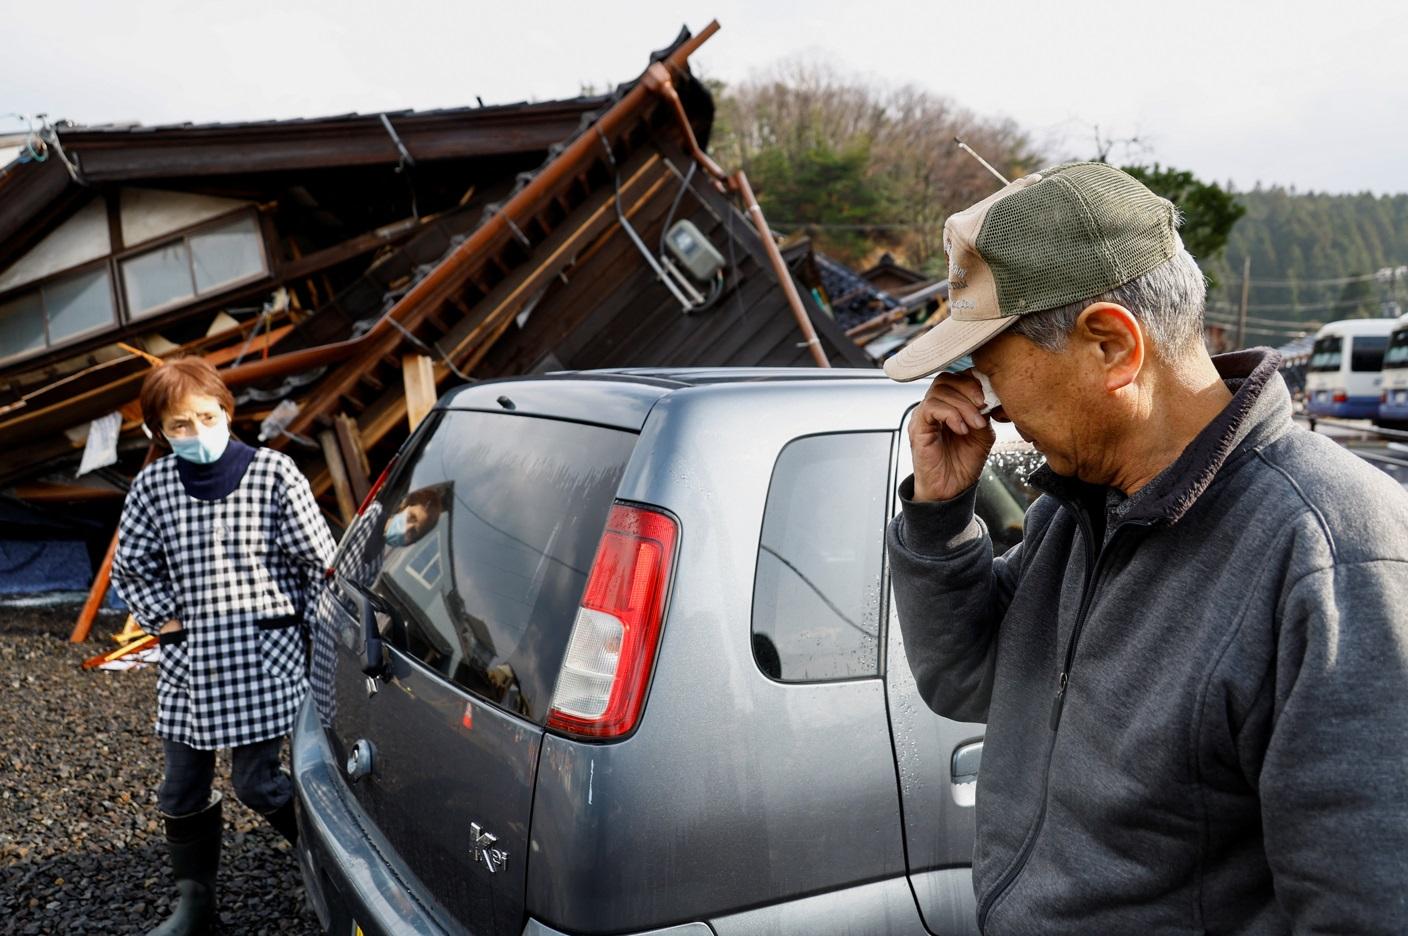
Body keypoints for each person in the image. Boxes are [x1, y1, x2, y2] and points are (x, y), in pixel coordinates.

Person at [883, 162, 1408, 934]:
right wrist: (938, 513)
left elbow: (1367, 904)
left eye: (995, 374)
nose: (994, 410)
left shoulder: (1330, 553)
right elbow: (964, 678)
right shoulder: (1080, 509)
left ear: (1111, 346)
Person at [111, 357, 335, 936]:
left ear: (226, 411)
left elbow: (320, 566)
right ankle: (196, 908)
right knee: (180, 786)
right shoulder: (152, 487)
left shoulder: (274, 473)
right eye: (179, 425)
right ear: (160, 431)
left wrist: (323, 647)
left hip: (266, 657)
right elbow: (131, 568)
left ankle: (327, 865)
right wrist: (167, 622)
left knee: (256, 783)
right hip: (190, 662)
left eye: (206, 417)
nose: (197, 432)